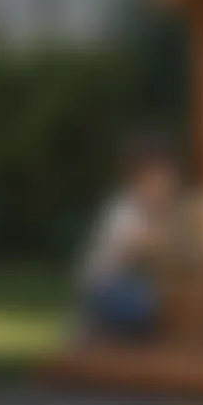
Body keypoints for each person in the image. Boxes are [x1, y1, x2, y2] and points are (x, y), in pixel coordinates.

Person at [78, 137, 179, 342]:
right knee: (160, 305)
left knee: (172, 302)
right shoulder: (125, 208)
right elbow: (142, 248)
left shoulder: (155, 210)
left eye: (168, 179)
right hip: (107, 288)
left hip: (133, 286)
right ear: (139, 179)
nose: (166, 185)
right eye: (159, 179)